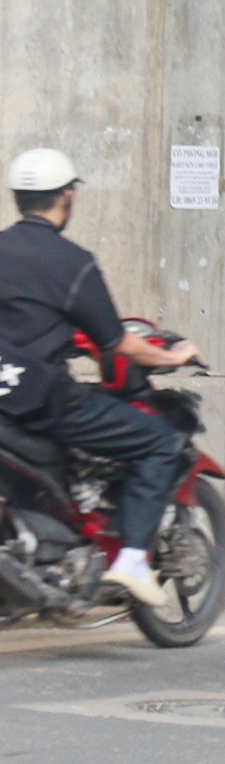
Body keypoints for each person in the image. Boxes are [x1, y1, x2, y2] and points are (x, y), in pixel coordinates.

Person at [0, 149, 201, 607]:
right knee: (159, 441)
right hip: (42, 400)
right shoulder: (72, 262)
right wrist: (173, 355)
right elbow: (117, 343)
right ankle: (131, 560)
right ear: (67, 196)